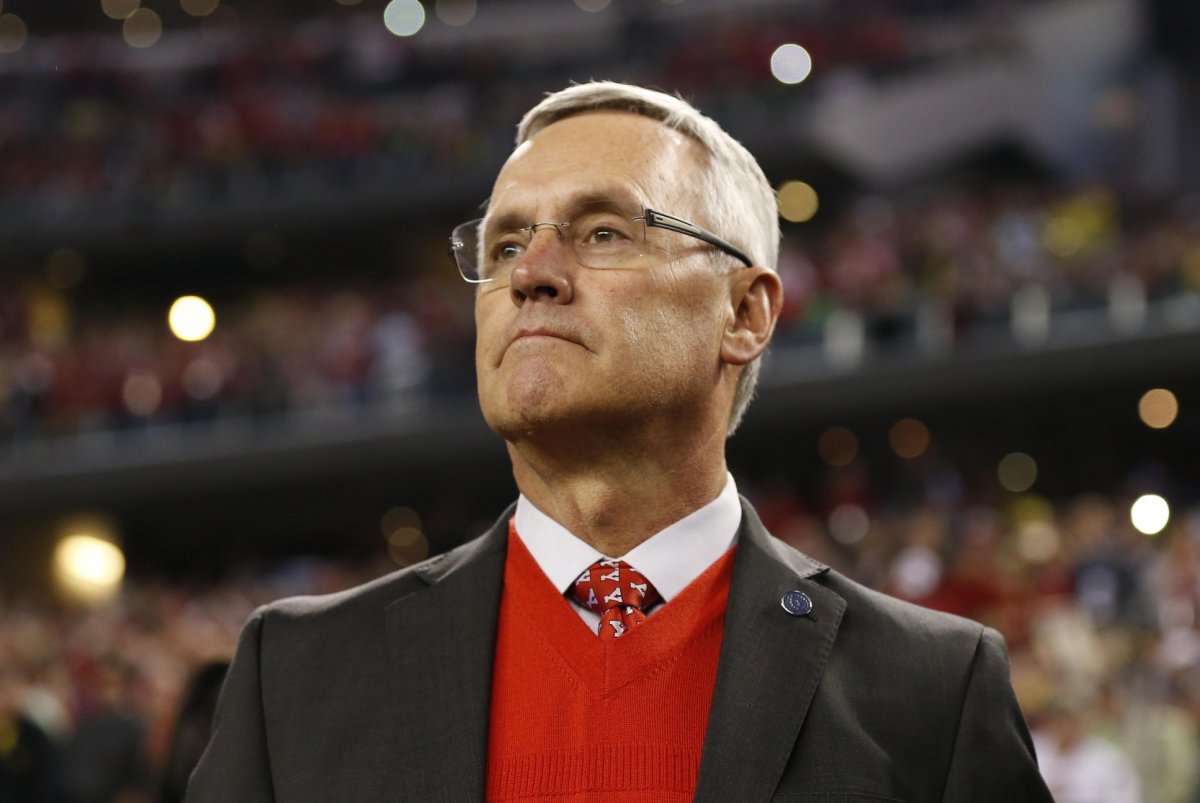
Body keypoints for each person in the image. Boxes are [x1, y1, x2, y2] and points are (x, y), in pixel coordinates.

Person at [189, 82, 1052, 802]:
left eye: (602, 232)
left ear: (743, 312)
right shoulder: (295, 676)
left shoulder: (933, 689)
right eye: (506, 243)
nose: (531, 274)